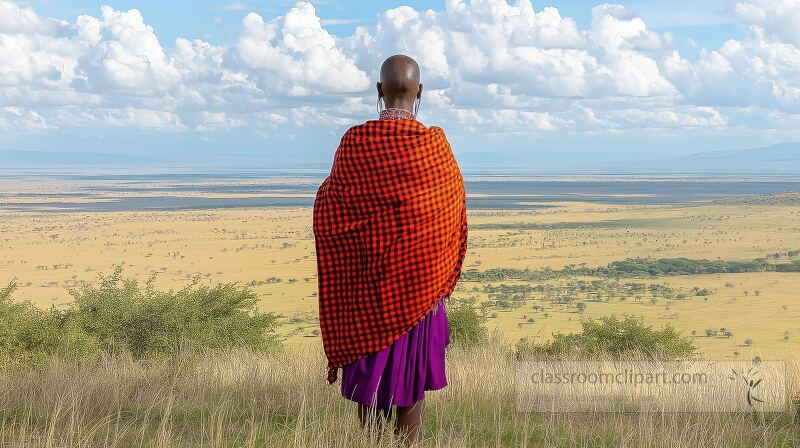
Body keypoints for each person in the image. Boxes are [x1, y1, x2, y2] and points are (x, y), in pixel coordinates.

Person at [313, 55, 468, 444]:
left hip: (367, 299)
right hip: (420, 298)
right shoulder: (435, 147)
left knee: (370, 395)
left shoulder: (356, 142)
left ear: (379, 91)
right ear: (420, 92)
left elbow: (331, 210)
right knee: (410, 395)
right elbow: (452, 218)